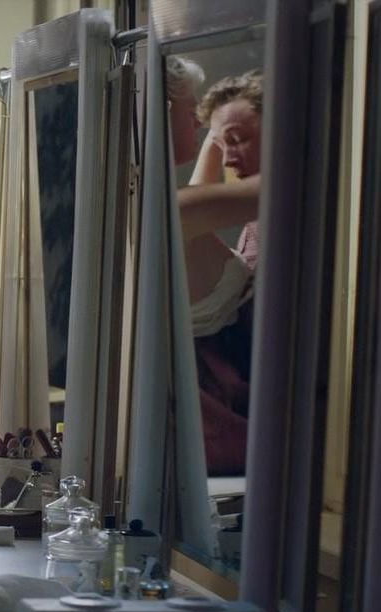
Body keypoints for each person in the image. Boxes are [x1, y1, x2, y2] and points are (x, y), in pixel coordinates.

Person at [170, 68, 264, 476]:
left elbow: (184, 212)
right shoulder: (253, 218)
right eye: (222, 145)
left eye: (238, 140)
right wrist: (222, 133)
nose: (227, 157)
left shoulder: (293, 189)